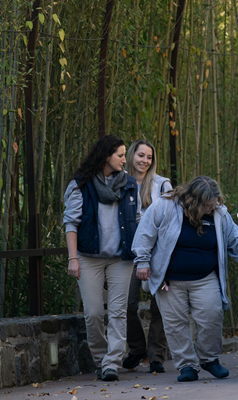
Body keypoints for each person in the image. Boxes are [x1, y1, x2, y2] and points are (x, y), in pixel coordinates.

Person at [131, 176, 238, 382]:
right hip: (169, 280)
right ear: (195, 201)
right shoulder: (165, 206)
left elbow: (237, 242)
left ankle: (209, 359)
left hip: (204, 278)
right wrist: (142, 261)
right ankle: (187, 365)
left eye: (214, 203)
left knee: (212, 317)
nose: (212, 207)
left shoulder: (220, 215)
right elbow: (145, 233)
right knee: (175, 323)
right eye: (208, 204)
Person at [64, 135, 140, 382]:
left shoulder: (129, 184)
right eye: (120, 154)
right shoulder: (81, 184)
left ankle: (111, 363)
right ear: (106, 156)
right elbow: (71, 223)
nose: (123, 159)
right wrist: (72, 258)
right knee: (94, 312)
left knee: (118, 312)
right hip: (88, 257)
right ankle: (100, 358)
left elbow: (137, 220)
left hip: (121, 258)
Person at [123, 140, 172, 373]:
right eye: (140, 155)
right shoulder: (119, 181)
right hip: (128, 252)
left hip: (158, 253)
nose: (144, 161)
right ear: (132, 155)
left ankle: (157, 357)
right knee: (126, 303)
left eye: (149, 157)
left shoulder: (162, 185)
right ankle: (136, 348)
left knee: (159, 305)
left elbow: (172, 217)